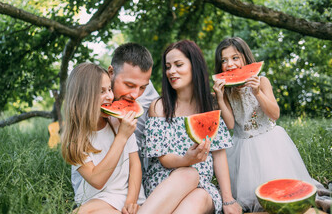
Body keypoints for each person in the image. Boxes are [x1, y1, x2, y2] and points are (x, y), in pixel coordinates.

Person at [138, 40, 242, 214]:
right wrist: (188, 160)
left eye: (178, 65)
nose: (171, 71)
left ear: (195, 66)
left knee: (199, 196)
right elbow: (164, 158)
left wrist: (228, 199)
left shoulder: (211, 105)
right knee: (188, 174)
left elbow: (219, 156)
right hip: (164, 184)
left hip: (203, 186)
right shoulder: (158, 107)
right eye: (168, 66)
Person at [212, 37, 315, 212]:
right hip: (242, 148)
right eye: (224, 60)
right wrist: (220, 98)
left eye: (235, 58)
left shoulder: (262, 81)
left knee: (283, 191)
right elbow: (229, 124)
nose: (229, 64)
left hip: (270, 143)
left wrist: (257, 92)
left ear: (246, 57)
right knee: (253, 198)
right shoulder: (226, 91)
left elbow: (274, 114)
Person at [61, 63, 146, 214]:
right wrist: (121, 137)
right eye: (101, 91)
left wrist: (131, 201)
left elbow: (135, 166)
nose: (110, 96)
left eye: (109, 89)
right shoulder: (75, 141)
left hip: (123, 196)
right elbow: (97, 180)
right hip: (94, 200)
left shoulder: (119, 123)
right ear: (83, 97)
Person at [107, 43, 159, 173]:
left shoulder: (147, 89)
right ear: (111, 72)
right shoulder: (92, 91)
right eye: (129, 85)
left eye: (142, 87)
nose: (136, 95)